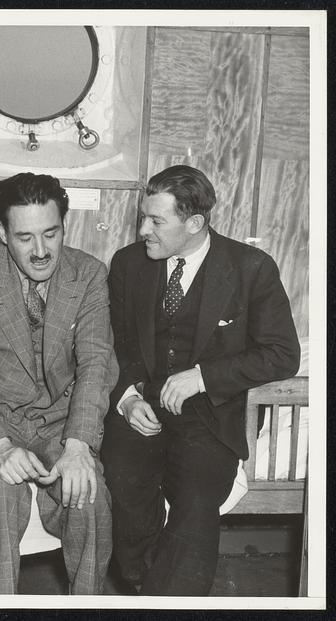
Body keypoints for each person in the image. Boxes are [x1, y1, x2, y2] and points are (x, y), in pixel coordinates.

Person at [102, 165, 300, 596]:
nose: (142, 230)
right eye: (143, 217)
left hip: (210, 417)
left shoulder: (250, 268)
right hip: (143, 407)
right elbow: (116, 344)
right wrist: (128, 398)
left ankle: (165, 601)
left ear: (194, 223)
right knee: (122, 480)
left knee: (195, 500)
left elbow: (283, 353)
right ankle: (140, 583)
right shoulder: (127, 264)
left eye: (156, 221)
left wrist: (203, 376)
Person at [0, 172, 117, 594]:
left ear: (64, 227)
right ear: (2, 232)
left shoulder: (88, 274)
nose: (40, 252)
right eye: (24, 238)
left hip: (62, 422)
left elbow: (95, 363)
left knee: (90, 497)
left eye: (50, 234)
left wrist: (78, 447)